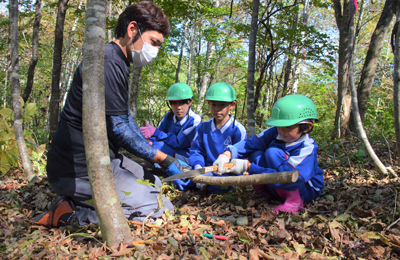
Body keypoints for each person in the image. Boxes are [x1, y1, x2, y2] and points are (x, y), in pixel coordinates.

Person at [35, 1, 189, 228]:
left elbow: (125, 118)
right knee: (160, 207)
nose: (154, 52)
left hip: (101, 160)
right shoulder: (108, 61)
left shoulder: (117, 62)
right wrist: (161, 157)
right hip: (76, 170)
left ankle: (82, 202)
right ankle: (71, 214)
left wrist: (153, 154)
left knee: (154, 181)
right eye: (153, 43)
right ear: (132, 29)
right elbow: (118, 129)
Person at [213, 94, 324, 213]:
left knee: (272, 152)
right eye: (279, 126)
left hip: (303, 189)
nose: (281, 131)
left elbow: (292, 179)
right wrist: (227, 154)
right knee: (256, 153)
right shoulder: (275, 133)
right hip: (275, 183)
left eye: (288, 127)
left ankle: (293, 201)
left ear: (306, 127)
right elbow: (250, 143)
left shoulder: (307, 149)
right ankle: (263, 191)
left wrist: (249, 168)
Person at [189, 82, 247, 192]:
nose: (217, 109)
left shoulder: (238, 130)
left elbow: (240, 156)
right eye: (213, 105)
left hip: (227, 173)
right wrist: (198, 167)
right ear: (208, 104)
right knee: (181, 178)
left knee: (219, 185)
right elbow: (197, 151)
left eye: (222, 105)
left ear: (232, 105)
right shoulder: (203, 127)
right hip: (206, 170)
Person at [140, 83, 202, 165]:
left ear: (190, 102)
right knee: (153, 144)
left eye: (182, 103)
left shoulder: (195, 120)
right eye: (174, 103)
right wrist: (150, 140)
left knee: (158, 146)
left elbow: (178, 143)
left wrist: (155, 132)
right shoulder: (169, 117)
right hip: (171, 151)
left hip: (188, 157)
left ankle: (159, 167)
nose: (178, 107)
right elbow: (159, 135)